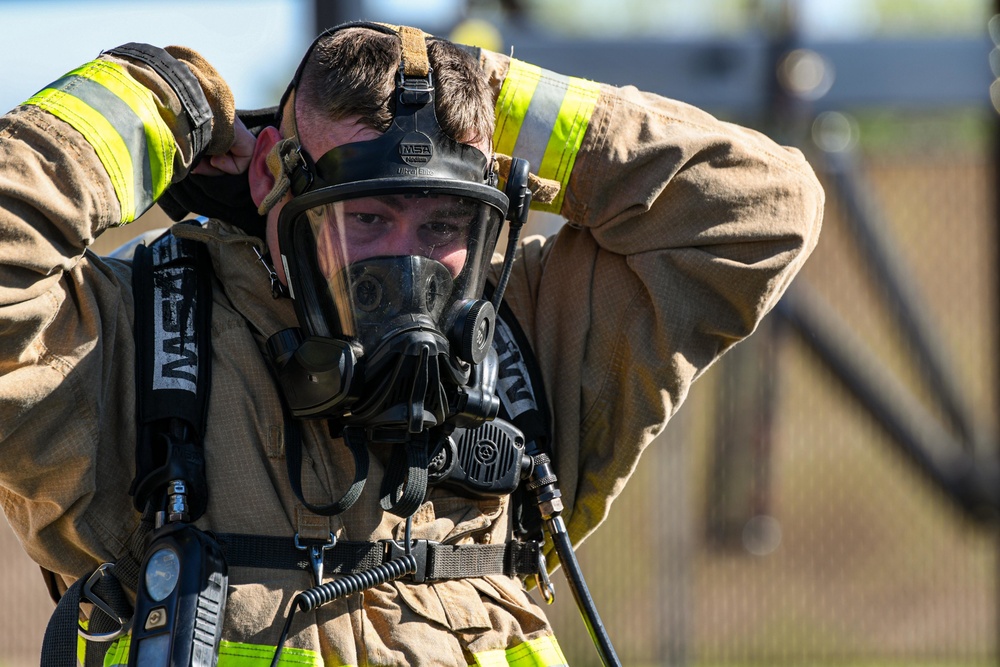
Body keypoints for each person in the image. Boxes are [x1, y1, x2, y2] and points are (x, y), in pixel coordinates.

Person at [0, 21, 823, 667]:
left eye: (441, 223)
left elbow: (763, 208)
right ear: (268, 186)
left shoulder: (533, 335)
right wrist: (156, 95)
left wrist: (493, 97)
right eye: (365, 220)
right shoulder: (130, 350)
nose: (408, 268)